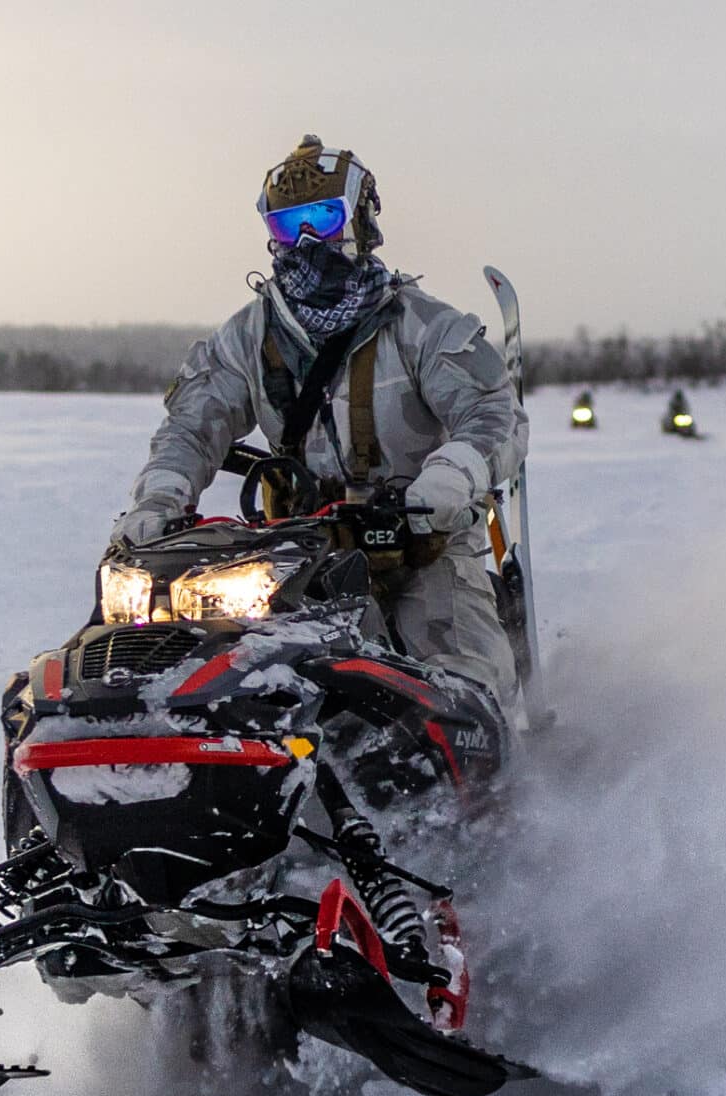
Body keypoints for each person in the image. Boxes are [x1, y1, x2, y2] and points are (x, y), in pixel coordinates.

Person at [111, 135, 526, 699]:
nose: (306, 241)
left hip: (421, 545)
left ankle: (474, 773)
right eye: (288, 226)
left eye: (323, 219)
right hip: (295, 554)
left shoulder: (424, 326)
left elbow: (495, 413)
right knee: (218, 673)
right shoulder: (244, 340)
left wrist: (451, 475)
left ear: (359, 220)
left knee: (465, 680)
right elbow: (190, 428)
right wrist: (157, 501)